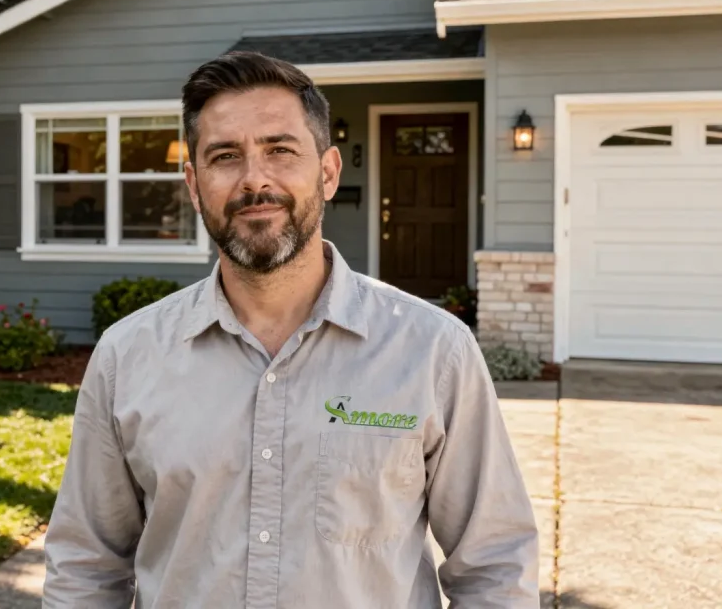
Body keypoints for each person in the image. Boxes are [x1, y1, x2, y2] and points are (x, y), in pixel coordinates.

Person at [42, 51, 540, 608]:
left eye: (280, 150)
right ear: (193, 183)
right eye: (225, 156)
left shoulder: (433, 352)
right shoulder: (128, 356)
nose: (255, 179)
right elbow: (85, 567)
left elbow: (496, 564)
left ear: (327, 172)